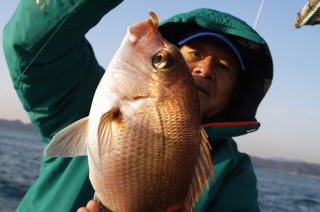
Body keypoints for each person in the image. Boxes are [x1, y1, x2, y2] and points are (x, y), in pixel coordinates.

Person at [3, 0, 273, 211]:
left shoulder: (232, 170)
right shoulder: (86, 100)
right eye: (195, 54)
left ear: (236, 93)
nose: (205, 68)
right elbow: (30, 41)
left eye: (224, 66)